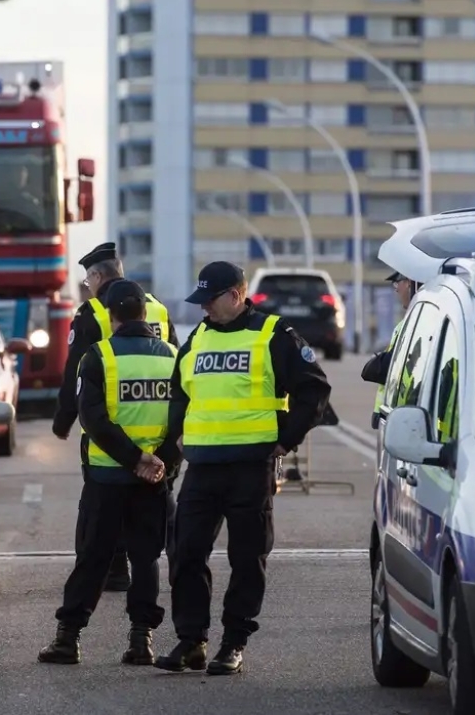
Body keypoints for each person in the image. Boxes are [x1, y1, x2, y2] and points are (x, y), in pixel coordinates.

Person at [154, 261, 331, 676]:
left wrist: (284, 441)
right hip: (202, 467)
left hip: (250, 468)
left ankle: (233, 643)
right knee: (186, 552)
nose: (204, 310)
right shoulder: (198, 336)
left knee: (247, 558)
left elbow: (314, 390)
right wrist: (178, 431)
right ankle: (191, 640)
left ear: (235, 295)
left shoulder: (274, 335)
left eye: (210, 301)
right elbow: (180, 389)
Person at [38, 280, 179, 666]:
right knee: (146, 558)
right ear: (145, 314)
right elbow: (182, 422)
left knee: (93, 558)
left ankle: (68, 639)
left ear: (112, 316)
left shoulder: (98, 357)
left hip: (106, 479)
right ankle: (141, 641)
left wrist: (132, 459)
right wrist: (158, 462)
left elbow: (94, 420)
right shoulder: (172, 356)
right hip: (154, 480)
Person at [53, 242, 181, 592]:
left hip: (110, 424)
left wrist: (64, 419)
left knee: (106, 503)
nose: (87, 286)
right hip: (156, 429)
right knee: (156, 501)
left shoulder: (93, 311)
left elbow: (75, 370)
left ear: (97, 276)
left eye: (87, 279)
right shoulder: (157, 308)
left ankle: (114, 570)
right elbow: (176, 362)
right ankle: (171, 567)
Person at [362, 272, 420, 428]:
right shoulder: (408, 322)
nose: (396, 289)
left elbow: (395, 365)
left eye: (397, 283)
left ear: (408, 283)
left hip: (407, 416)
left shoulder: (417, 323)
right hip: (397, 413)